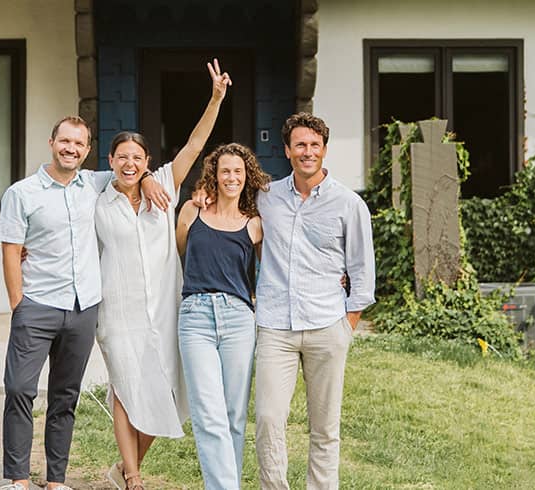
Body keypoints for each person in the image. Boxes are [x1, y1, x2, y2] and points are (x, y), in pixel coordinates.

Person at [0, 116, 170, 490]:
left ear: (89, 150)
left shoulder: (94, 183)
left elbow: (132, 167)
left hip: (82, 308)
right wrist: (18, 303)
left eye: (79, 144)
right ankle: (18, 479)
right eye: (65, 141)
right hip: (37, 305)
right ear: (52, 142)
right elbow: (11, 252)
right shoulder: (21, 193)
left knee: (64, 396)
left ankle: (56, 480)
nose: (71, 149)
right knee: (20, 389)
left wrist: (150, 177)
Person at [95, 60, 231, 490]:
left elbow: (195, 143)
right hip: (118, 311)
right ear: (111, 161)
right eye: (123, 157)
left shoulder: (167, 186)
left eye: (139, 158)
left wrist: (215, 99)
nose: (130, 163)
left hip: (167, 308)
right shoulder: (96, 198)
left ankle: (121, 469)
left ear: (148, 161)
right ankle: (133, 476)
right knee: (125, 388)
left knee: (170, 393)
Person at [254, 112, 376, 489]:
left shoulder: (348, 204)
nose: (307, 152)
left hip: (327, 325)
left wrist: (346, 325)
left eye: (314, 145)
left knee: (325, 427)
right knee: (269, 419)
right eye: (300, 145)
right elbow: (226, 208)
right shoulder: (266, 197)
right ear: (287, 150)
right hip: (275, 326)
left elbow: (362, 270)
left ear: (324, 150)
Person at [175, 143, 270, 489]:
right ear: (214, 175)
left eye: (238, 172)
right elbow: (173, 256)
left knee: (233, 416)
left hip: (238, 319)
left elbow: (278, 265)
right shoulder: (190, 212)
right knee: (208, 414)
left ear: (248, 178)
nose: (232, 177)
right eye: (225, 170)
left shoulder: (255, 225)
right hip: (195, 317)